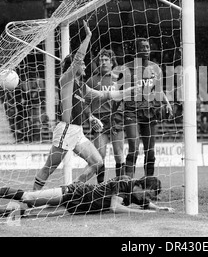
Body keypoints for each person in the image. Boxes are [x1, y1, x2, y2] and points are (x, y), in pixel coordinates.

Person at [33, 21, 136, 190]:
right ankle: (30, 198)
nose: (85, 65)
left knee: (97, 162)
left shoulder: (83, 86)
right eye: (82, 64)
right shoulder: (66, 80)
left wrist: (131, 90)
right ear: (73, 66)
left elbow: (106, 95)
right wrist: (88, 37)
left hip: (77, 131)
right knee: (48, 168)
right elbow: (78, 58)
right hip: (65, 130)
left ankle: (71, 190)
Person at [0, 175, 174, 218]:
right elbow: (116, 207)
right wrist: (136, 212)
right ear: (140, 186)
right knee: (28, 198)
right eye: (147, 193)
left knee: (29, 215)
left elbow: (145, 203)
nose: (146, 198)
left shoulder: (137, 194)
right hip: (70, 194)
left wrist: (158, 208)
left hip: (77, 208)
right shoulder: (122, 184)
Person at [119, 38, 173, 178]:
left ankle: (149, 185)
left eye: (148, 47)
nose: (146, 49)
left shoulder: (155, 68)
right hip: (132, 111)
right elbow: (118, 92)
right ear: (136, 50)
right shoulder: (126, 68)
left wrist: (167, 103)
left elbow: (159, 90)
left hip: (150, 112)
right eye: (143, 47)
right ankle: (128, 185)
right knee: (134, 149)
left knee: (150, 151)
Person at [86, 48, 126, 182]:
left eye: (106, 60)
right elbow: (85, 101)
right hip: (99, 118)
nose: (103, 63)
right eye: (101, 60)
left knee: (119, 154)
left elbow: (125, 99)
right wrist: (90, 116)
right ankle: (101, 187)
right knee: (100, 155)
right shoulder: (91, 81)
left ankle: (121, 186)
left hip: (116, 117)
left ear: (112, 62)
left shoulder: (119, 80)